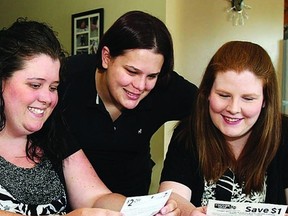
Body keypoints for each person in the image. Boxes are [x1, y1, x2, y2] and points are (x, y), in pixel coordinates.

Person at [59, 10, 198, 197]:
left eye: (151, 76)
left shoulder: (165, 87)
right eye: (132, 72)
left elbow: (214, 110)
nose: (140, 86)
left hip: (132, 201)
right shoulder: (65, 79)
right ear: (106, 57)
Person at [0, 17, 127, 216]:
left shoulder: (54, 136)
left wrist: (143, 208)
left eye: (53, 87)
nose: (47, 98)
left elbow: (96, 198)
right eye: (35, 85)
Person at [158, 40, 288, 215]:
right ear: (207, 93)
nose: (233, 109)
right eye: (223, 95)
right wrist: (190, 212)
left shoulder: (284, 133)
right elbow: (171, 196)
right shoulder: (188, 133)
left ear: (265, 101)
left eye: (248, 99)